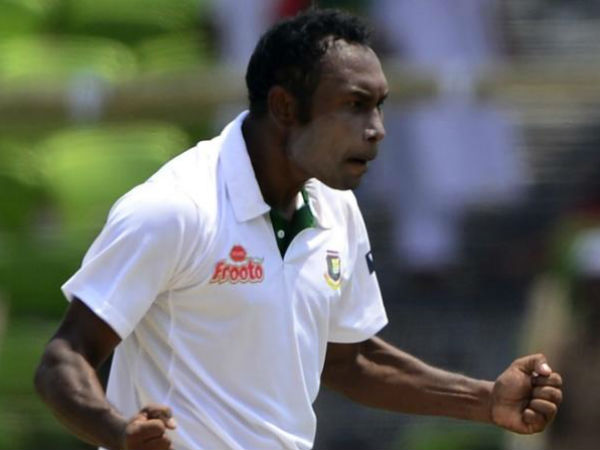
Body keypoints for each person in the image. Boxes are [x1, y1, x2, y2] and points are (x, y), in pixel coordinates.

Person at [34, 9, 562, 450]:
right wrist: (117, 432)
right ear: (285, 107)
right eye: (354, 106)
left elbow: (350, 360)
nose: (377, 129)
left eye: (379, 106)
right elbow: (64, 356)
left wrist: (484, 401)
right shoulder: (175, 208)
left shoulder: (336, 207)